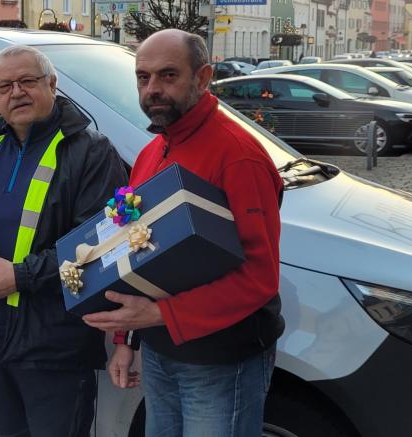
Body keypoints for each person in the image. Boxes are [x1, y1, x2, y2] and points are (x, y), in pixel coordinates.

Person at [0, 45, 128, 437]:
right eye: (4, 86)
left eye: (28, 81)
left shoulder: (90, 152)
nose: (16, 93)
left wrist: (19, 277)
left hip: (54, 339)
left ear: (52, 84)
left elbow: (100, 243)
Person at [83, 30, 284, 437]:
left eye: (168, 75)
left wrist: (158, 315)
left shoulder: (238, 156)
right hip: (160, 350)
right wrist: (125, 339)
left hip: (221, 360)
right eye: (143, 77)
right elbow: (137, 253)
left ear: (203, 77)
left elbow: (260, 278)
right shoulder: (151, 153)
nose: (152, 89)